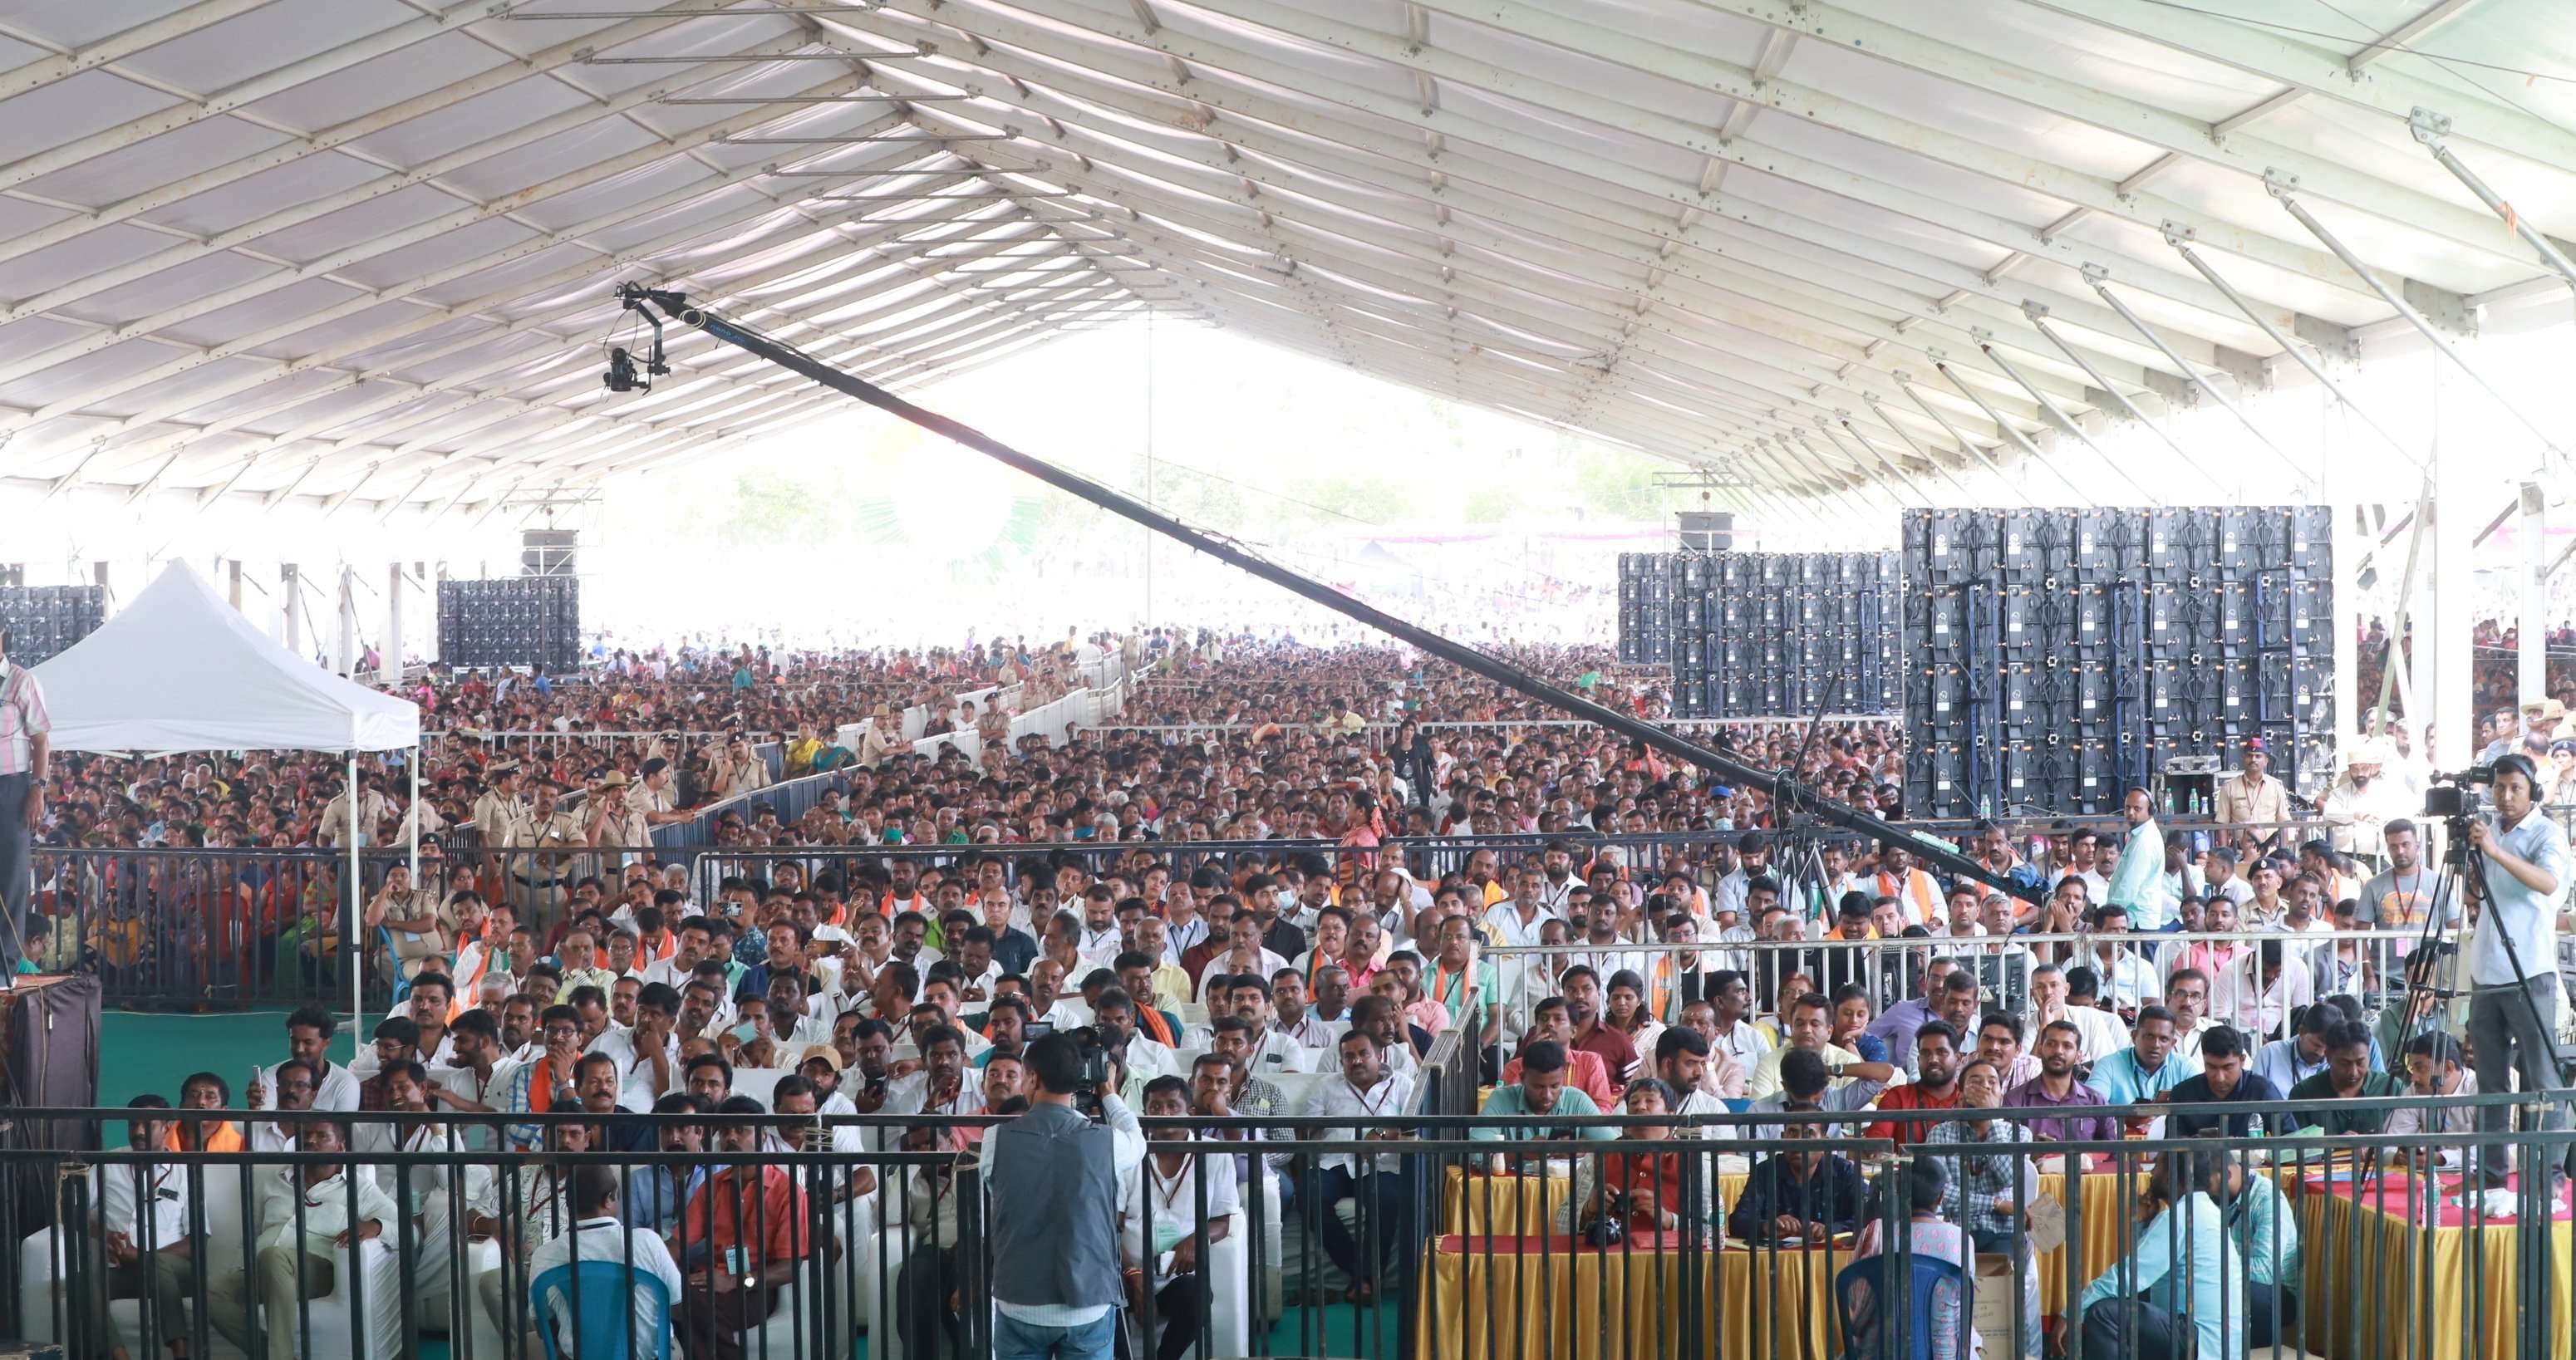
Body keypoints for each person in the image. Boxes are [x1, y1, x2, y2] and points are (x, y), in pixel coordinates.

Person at [981, 1029, 1146, 1359]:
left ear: (1032, 1078)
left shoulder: (994, 1139)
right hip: (1087, 1301)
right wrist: (1109, 1092)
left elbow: (994, 1189)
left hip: (1019, 1297)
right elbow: (1137, 1140)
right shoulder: (1107, 1141)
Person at [2462, 753, 2572, 1200]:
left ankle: (2547, 1180)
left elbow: (2548, 883)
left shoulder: (2547, 833)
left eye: (2515, 788)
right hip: (2487, 972)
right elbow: (2477, 895)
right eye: (2499, 787)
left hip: (2531, 971)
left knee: (2541, 1081)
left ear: (2533, 793)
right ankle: (2491, 1179)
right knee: (2490, 1082)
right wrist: (2477, 860)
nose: (2505, 797)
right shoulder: (2489, 830)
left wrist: (2494, 851)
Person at [209, 1118, 399, 1360]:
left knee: (273, 1256)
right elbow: (253, 1231)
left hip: (315, 1269)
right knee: (212, 1293)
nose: (310, 1140)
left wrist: (377, 1225)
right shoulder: (273, 1181)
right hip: (262, 1267)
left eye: (322, 1136)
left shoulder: (358, 1188)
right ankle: (269, 1352)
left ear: (340, 1146)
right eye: (306, 1135)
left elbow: (406, 1229)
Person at [2077, 1149, 2247, 1360]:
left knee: (2104, 1313)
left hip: (2203, 1341)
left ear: (2172, 1176)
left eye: (2157, 1166)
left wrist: (2074, 1311)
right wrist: (2147, 1221)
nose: (2151, 1173)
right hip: (2211, 1338)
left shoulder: (2182, 1216)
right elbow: (2149, 1274)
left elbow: (2132, 1274)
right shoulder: (2200, 1209)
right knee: (2121, 1302)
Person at [1298, 1029, 1415, 1304]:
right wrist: (1305, 1131)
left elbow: (1415, 1130)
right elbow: (1306, 1126)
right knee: (1308, 1196)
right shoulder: (1327, 1086)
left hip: (1381, 1162)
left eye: (1363, 1054)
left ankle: (1365, 1280)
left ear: (1378, 1055)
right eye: (1348, 1057)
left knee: (1385, 1199)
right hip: (1335, 1161)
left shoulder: (1402, 1085)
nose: (1357, 1061)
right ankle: (1362, 1274)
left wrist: (1384, 1134)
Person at [1124, 1077, 1238, 1360]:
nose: (1163, 1114)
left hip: (1176, 1273)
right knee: (1098, 1291)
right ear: (1145, 1113)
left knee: (1198, 1295)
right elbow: (1109, 1226)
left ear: (1190, 1113)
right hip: (1126, 1272)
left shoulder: (1214, 1153)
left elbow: (1222, 1222)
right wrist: (1132, 1275)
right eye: (1155, 1107)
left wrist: (1197, 1238)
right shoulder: (1127, 1154)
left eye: (1172, 1106)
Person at [527, 1165, 685, 1359]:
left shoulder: (544, 1256)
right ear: (608, 1199)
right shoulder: (648, 1241)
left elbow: (544, 1330)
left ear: (568, 1204)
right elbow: (678, 1308)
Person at [91, 1096, 199, 1360]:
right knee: (84, 1282)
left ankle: (180, 1353)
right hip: (125, 1271)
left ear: (167, 1127)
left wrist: (136, 1255)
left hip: (175, 1272)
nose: (138, 1132)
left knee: (159, 1265)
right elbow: (71, 1209)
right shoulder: (108, 1162)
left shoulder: (185, 1170)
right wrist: (105, 1236)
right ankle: (119, 1356)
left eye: (147, 1125)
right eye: (132, 1125)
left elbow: (196, 1240)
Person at [1846, 1160, 1975, 1359]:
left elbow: (1856, 1308)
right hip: (1944, 1354)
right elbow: (1963, 1310)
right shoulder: (1962, 1241)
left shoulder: (1876, 1234)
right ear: (1941, 1198)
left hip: (1878, 1353)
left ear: (1899, 1190)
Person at [0, 625, 50, 983]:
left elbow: (41, 741)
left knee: (11, 876)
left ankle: (4, 966)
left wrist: (37, 788)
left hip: (12, 787)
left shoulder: (20, 681)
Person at [1724, 1123, 1865, 1245]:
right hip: (1775, 1264)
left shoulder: (1844, 1171)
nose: (1798, 1140)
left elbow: (1870, 1218)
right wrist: (1767, 1226)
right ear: (1783, 1137)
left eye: (1809, 1133)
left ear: (1824, 1141)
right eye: (1792, 1132)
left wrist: (1830, 1229)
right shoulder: (1766, 1171)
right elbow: (1738, 1221)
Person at [2084, 1005, 2200, 1137]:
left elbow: (2202, 1108)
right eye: (2149, 1037)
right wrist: (2122, 1118)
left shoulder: (2185, 1067)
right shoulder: (2108, 1065)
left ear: (2173, 1044)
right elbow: (2089, 1110)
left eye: (2164, 1039)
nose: (2156, 1045)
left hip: (2172, 1148)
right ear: (2134, 1036)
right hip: (2120, 1148)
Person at [2160, 1026, 2293, 1137]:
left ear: (2242, 1060)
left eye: (2228, 1067)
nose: (2219, 1077)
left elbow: (2290, 1140)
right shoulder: (2183, 1094)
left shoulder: (2262, 1090)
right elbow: (2172, 1152)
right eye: (2211, 1067)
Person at [2000, 1019, 2119, 1142]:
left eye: (2067, 1046)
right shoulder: (2015, 1101)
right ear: (2040, 1050)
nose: (2058, 1051)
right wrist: (2032, 1153)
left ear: (2078, 1056)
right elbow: (2007, 1157)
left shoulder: (2096, 1101)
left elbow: (2114, 1153)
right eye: (2051, 1044)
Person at [2284, 1019, 2402, 1136]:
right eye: (2344, 1063)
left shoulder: (2393, 1088)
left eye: (2360, 1062)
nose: (2353, 1072)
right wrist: (2334, 1144)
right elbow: (2295, 1149)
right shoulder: (2304, 1094)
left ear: (2369, 1055)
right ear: (2328, 1057)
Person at [1861, 1021, 1963, 1146]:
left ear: (1958, 1059)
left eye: (1941, 1052)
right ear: (1918, 1060)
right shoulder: (1898, 1097)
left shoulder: (1967, 1100)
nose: (1933, 1059)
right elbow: (1876, 1146)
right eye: (1926, 1053)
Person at [2104, 787, 2175, 930]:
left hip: (2138, 922)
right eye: (2127, 808)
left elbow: (2129, 884)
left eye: (2137, 809)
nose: (2130, 812)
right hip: (2135, 919)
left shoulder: (2145, 840)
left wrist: (2107, 914)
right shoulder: (2139, 835)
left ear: (2150, 811)